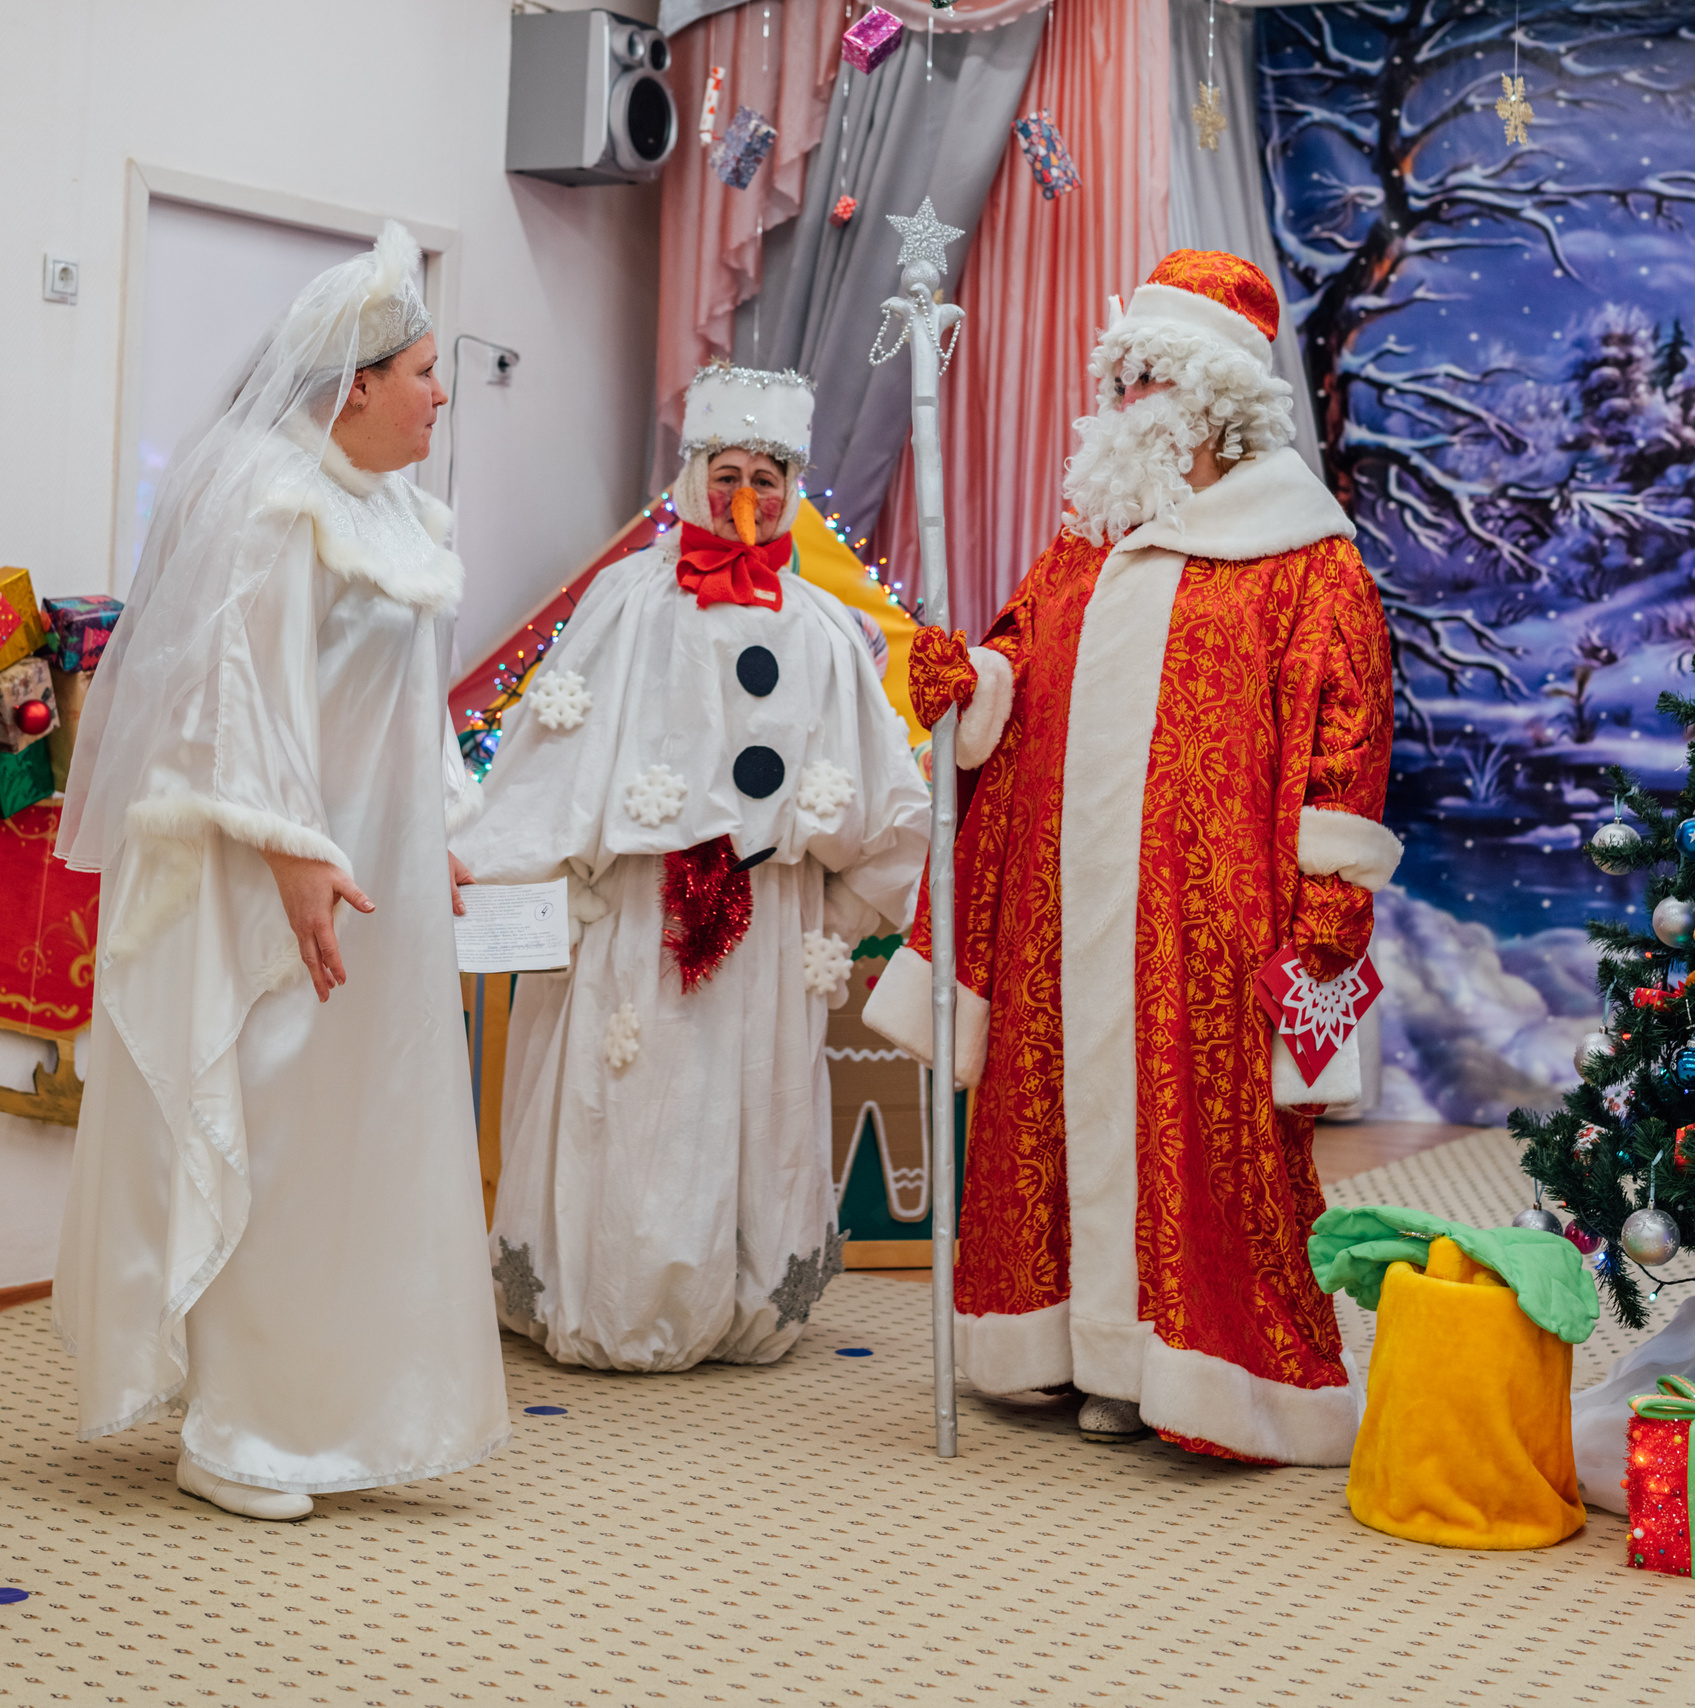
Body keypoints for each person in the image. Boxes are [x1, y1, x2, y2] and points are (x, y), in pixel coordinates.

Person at [863, 250, 1398, 1465]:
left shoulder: (1304, 558)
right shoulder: (1078, 549)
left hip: (1209, 924)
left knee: (1205, 1144)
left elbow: (1344, 745)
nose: (1121, 402)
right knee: (1054, 1111)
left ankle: (1197, 1368)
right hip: (1063, 911)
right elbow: (1013, 676)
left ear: (1216, 397)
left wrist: (1327, 910)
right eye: (1120, 375)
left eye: (1150, 377)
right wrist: (970, 686)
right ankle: (1066, 1349)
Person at [53, 223, 508, 1520]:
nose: (439, 395)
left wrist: (442, 826)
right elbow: (225, 695)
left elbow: (406, 706)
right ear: (354, 383)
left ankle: (343, 1410)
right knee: (281, 1128)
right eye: (423, 370)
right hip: (274, 879)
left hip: (383, 883)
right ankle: (243, 1429)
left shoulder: (401, 510)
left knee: (367, 1137)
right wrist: (299, 856)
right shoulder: (262, 492)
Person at [451, 363, 928, 1373]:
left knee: (745, 1098)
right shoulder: (627, 604)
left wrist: (838, 914)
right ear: (692, 471)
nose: (743, 493)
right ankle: (608, 1299)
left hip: (766, 914)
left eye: (765, 472)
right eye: (725, 469)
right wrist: (512, 873)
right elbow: (555, 754)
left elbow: (883, 797)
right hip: (634, 912)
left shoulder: (821, 629)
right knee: (632, 1097)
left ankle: (746, 1299)